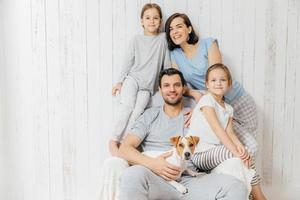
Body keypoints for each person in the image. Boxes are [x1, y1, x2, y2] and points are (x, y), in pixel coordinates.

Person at [165, 13, 266, 199]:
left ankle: (247, 192)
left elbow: (217, 74)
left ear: (189, 29)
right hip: (213, 104)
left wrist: (207, 101)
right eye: (171, 28)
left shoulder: (208, 44)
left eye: (179, 26)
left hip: (236, 101)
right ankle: (250, 194)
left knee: (248, 148)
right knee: (243, 149)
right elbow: (181, 84)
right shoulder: (175, 55)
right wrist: (197, 96)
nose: (175, 31)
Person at [117, 68, 248, 200]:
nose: (172, 89)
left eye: (177, 85)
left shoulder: (198, 114)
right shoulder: (149, 115)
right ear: (160, 89)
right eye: (166, 85)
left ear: (183, 88)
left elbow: (220, 124)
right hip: (156, 178)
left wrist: (197, 108)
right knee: (132, 174)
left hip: (191, 179)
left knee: (236, 187)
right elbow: (124, 149)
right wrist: (154, 164)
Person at [188, 63, 264, 198]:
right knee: (242, 157)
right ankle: (260, 197)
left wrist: (241, 148)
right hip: (200, 154)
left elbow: (230, 132)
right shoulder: (207, 100)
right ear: (207, 84)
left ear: (229, 84)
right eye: (213, 80)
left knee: (245, 155)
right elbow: (218, 130)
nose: (218, 83)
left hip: (215, 152)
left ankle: (251, 196)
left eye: (223, 80)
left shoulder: (228, 108)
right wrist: (236, 152)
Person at [109, 3, 170, 156]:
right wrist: (120, 81)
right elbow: (128, 61)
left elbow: (167, 64)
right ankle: (114, 139)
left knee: (137, 113)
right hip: (133, 79)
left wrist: (166, 84)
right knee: (127, 107)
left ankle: (124, 142)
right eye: (148, 18)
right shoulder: (136, 39)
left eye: (156, 18)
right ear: (142, 21)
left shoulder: (163, 40)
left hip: (147, 87)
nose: (152, 21)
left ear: (161, 21)